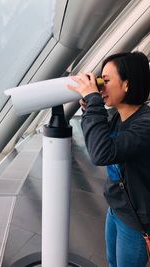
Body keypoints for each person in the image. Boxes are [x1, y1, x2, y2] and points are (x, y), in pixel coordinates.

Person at [67, 51, 150, 267]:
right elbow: (97, 143)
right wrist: (90, 109)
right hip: (116, 210)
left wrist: (94, 102)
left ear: (127, 85)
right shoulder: (118, 117)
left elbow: (101, 154)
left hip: (136, 221)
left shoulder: (146, 124)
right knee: (113, 263)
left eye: (107, 80)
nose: (101, 86)